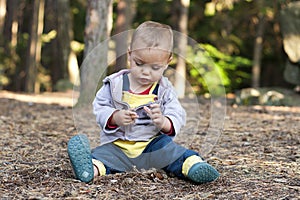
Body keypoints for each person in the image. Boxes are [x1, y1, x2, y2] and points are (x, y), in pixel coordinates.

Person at [67, 21, 220, 184]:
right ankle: (89, 169)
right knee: (102, 155)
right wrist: (115, 117)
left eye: (155, 68)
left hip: (152, 147)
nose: (145, 72)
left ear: (167, 62)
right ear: (129, 55)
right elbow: (100, 106)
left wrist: (163, 121)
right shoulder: (115, 84)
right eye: (139, 63)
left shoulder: (164, 89)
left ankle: (193, 166)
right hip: (118, 146)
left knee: (174, 152)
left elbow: (177, 114)